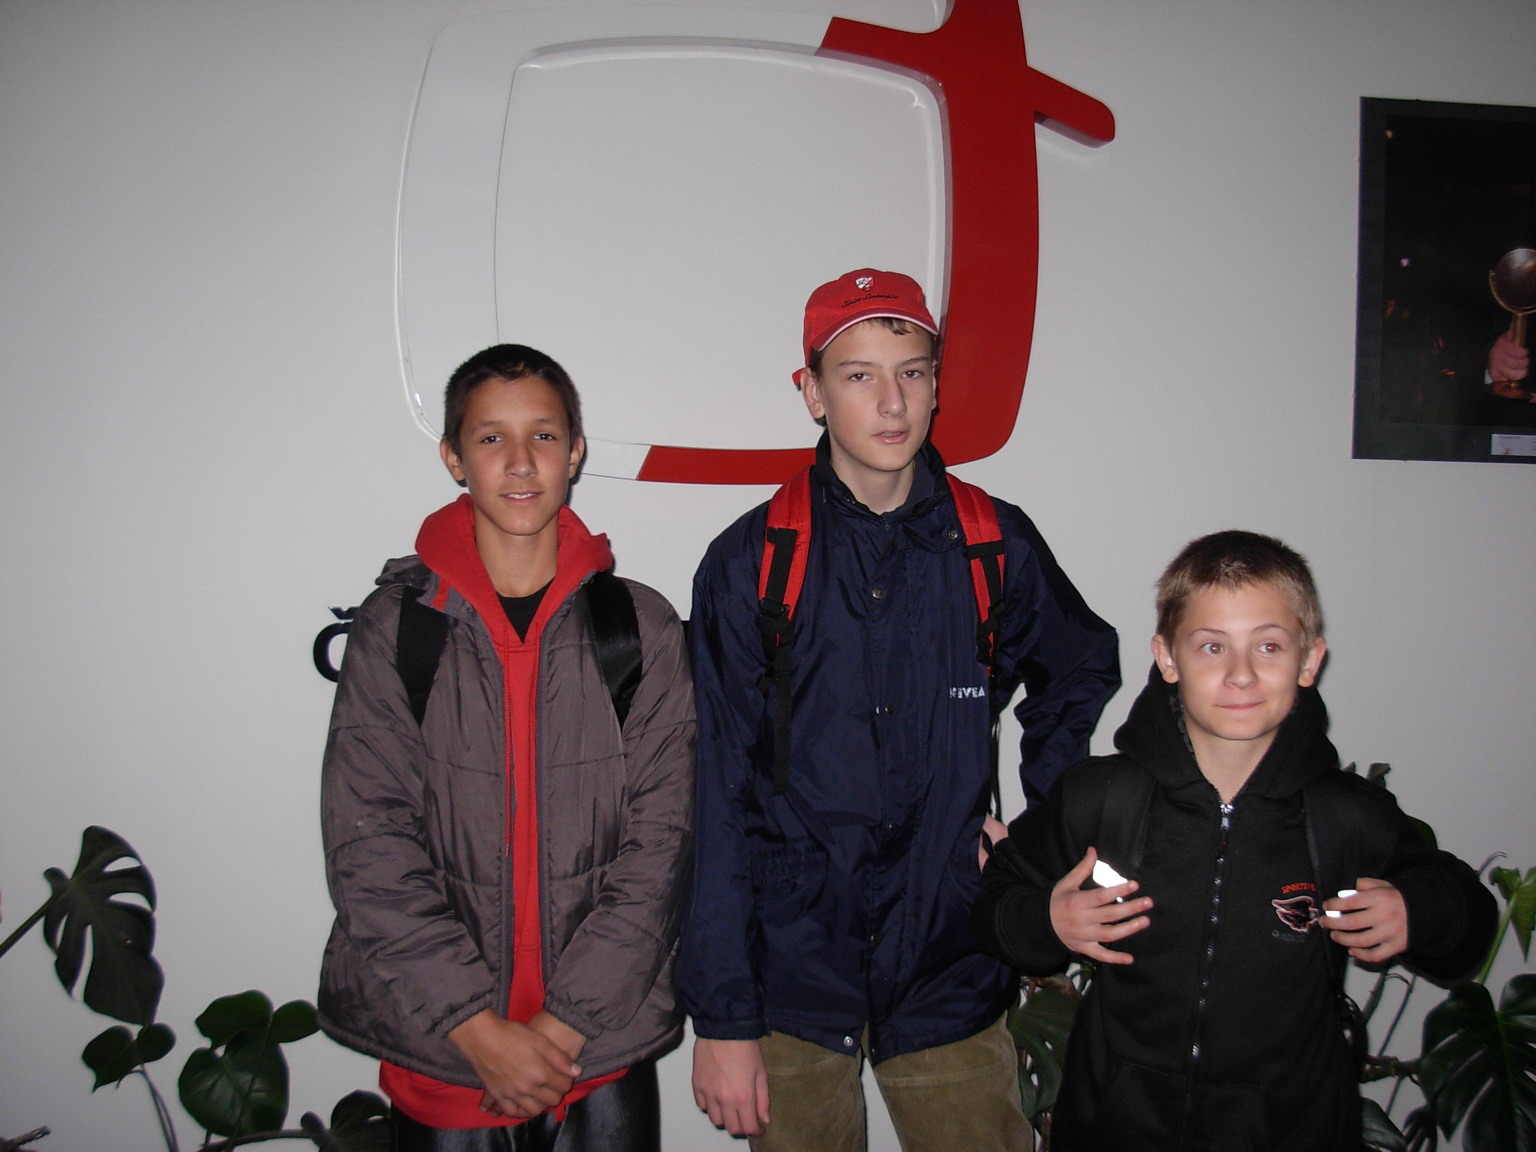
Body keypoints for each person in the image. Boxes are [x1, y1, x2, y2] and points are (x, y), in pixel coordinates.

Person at [678, 269, 1121, 1152]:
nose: (892, 402)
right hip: (792, 976)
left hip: (949, 962)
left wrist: (1039, 836)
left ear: (936, 384)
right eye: (859, 375)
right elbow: (713, 794)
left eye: (912, 372)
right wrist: (722, 1017)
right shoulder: (751, 563)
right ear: (811, 392)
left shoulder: (994, 544)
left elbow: (1079, 668)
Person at [974, 530, 1498, 1152]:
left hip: (1290, 1129)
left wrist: (1418, 912)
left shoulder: (1345, 815)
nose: (1241, 674)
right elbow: (996, 902)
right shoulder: (1101, 798)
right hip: (1116, 1123)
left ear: (1309, 660)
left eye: (1268, 646)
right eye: (1212, 646)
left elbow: (1467, 921)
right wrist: (1048, 922)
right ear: (1168, 658)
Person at [317, 344, 695, 1151]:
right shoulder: (397, 629)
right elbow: (368, 844)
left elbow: (663, 847)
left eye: (544, 436)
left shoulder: (639, 627)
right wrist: (475, 1028)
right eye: (491, 438)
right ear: (453, 457)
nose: (521, 462)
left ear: (575, 451)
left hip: (600, 1048)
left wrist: (566, 1025)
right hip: (446, 1051)